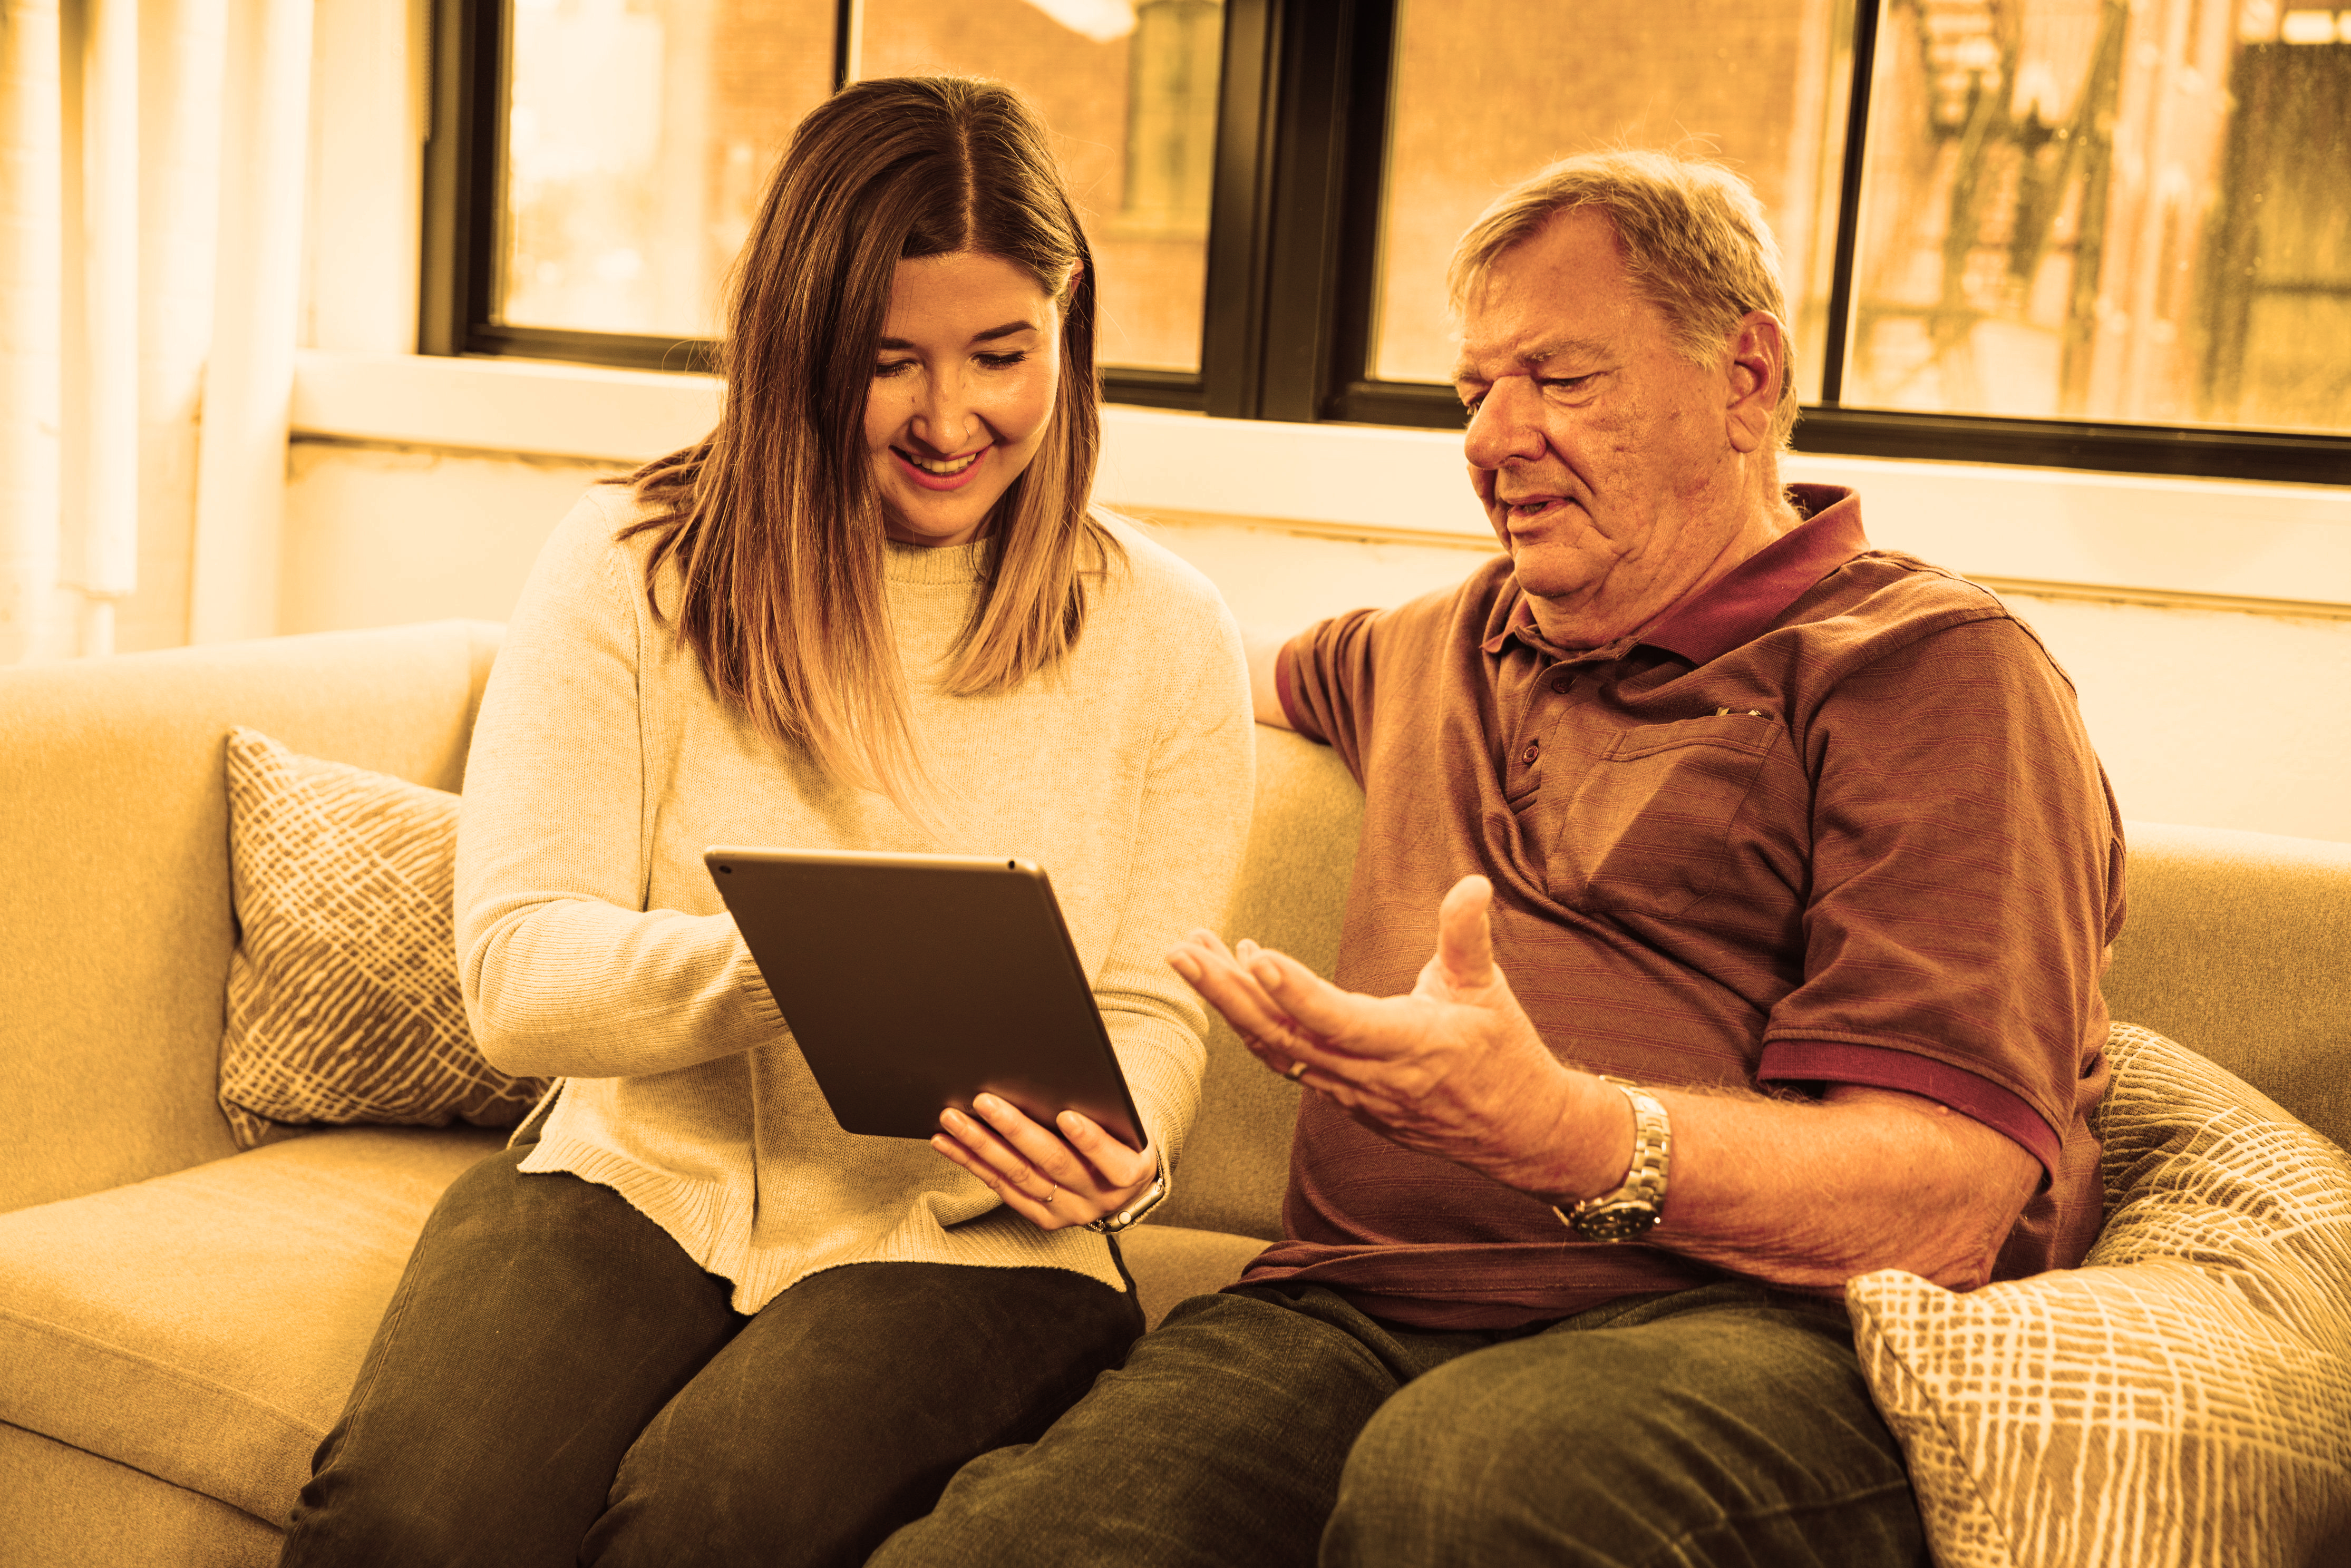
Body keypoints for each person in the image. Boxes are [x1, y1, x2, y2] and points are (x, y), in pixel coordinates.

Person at [868, 149, 2123, 1567]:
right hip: (1342, 1313)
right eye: (1474, 391)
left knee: (1468, 1472)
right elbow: (1152, 660)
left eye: (1559, 379)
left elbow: (1949, 1202)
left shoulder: (1927, 674)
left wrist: (1564, 1131)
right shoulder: (1433, 645)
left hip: (1746, 1328)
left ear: (1746, 374)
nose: (1491, 437)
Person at [276, 77, 1251, 1568]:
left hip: (975, 1240)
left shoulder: (1166, 635)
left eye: (1004, 352)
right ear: (796, 356)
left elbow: (1149, 1014)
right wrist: (801, 962)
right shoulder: (630, 566)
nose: (951, 418)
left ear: (1070, 328)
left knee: (716, 1523)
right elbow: (518, 976)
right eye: (886, 364)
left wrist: (1131, 1147)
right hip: (630, 1179)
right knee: (414, 1524)